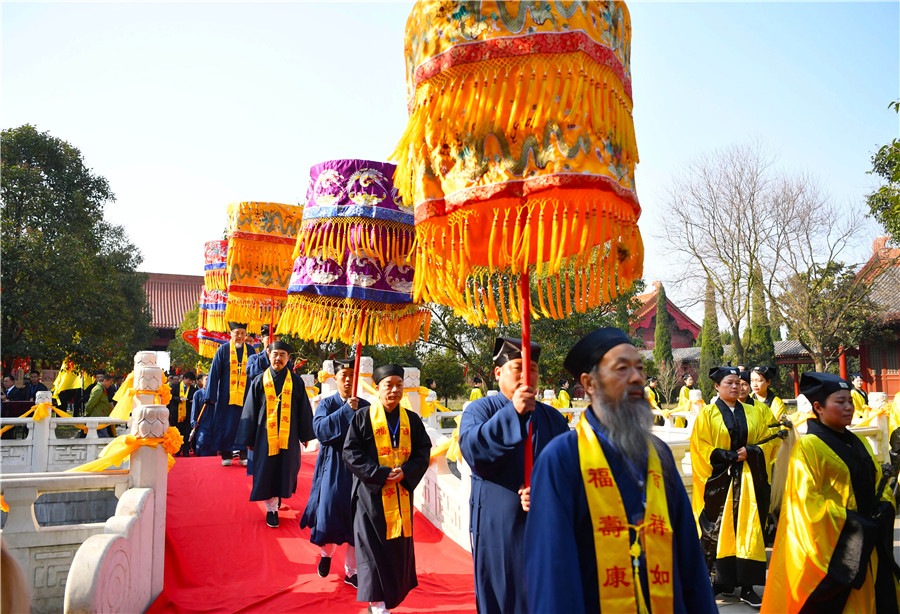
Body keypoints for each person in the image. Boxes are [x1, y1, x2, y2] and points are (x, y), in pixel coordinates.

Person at [524, 327, 717, 614]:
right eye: (622, 368)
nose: (637, 377)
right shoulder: (562, 459)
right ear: (589, 384)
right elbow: (552, 576)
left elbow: (689, 561)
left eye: (639, 367)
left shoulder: (658, 453)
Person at [761, 372, 900, 613]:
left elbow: (879, 485)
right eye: (840, 402)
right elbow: (806, 506)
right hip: (840, 552)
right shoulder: (807, 447)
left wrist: (885, 508)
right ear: (818, 407)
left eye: (850, 401)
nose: (849, 407)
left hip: (869, 545)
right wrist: (857, 524)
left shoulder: (860, 443)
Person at [459, 337, 569, 614]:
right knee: (502, 596)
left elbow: (569, 471)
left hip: (544, 525)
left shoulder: (554, 419)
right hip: (499, 528)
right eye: (518, 367)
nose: (526, 375)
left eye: (533, 368)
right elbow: (475, 453)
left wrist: (547, 492)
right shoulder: (480, 411)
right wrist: (514, 413)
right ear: (498, 373)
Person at [342, 364, 431, 614]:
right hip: (370, 497)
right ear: (378, 388)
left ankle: (389, 597)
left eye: (398, 385)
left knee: (394, 550)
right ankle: (377, 604)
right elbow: (350, 453)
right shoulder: (362, 417)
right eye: (388, 385)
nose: (394, 390)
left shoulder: (411, 420)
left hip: (401, 494)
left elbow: (424, 452)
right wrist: (379, 474)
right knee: (371, 549)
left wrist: (407, 471)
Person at [690, 366, 779, 608]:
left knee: (748, 529)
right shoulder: (707, 414)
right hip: (720, 482)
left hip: (749, 481)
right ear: (717, 387)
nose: (735, 386)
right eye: (729, 382)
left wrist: (752, 451)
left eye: (738, 382)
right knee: (716, 529)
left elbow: (768, 443)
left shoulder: (753, 412)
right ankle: (718, 582)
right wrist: (722, 455)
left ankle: (747, 586)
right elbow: (699, 448)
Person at [301, 357, 370, 588]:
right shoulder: (327, 403)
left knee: (356, 519)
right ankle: (326, 555)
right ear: (336, 379)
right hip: (333, 465)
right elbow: (319, 430)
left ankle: (352, 571)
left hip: (358, 469)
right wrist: (344, 413)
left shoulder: (366, 405)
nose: (349, 379)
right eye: (344, 376)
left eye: (353, 375)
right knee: (329, 514)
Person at [235, 340, 314, 528]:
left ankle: (276, 500)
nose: (278, 358)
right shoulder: (259, 380)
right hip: (264, 436)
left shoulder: (295, 382)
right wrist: (248, 437)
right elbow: (250, 411)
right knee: (267, 469)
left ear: (288, 358)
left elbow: (304, 409)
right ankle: (271, 509)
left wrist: (305, 435)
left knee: (286, 469)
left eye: (282, 355)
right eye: (275, 354)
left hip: (289, 435)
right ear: (269, 355)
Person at [202, 322, 256, 465]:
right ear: (230, 334)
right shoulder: (223, 350)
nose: (239, 336)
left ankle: (244, 454)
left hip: (246, 397)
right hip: (226, 397)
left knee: (244, 423)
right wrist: (211, 396)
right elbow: (214, 373)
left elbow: (256, 374)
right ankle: (226, 455)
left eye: (242, 333)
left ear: (246, 335)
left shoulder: (251, 351)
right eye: (236, 333)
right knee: (224, 424)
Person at [168, 371, 197, 456]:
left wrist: (191, 401)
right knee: (177, 434)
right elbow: (170, 397)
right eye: (189, 380)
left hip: (187, 416)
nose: (190, 382)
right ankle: (177, 450)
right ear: (184, 379)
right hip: (176, 415)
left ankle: (185, 451)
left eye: (192, 381)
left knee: (186, 434)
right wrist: (179, 399)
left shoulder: (193, 389)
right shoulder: (175, 387)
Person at [189, 374, 209, 455]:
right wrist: (194, 422)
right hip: (201, 425)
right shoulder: (197, 394)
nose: (208, 381)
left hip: (213, 425)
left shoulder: (216, 393)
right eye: (206, 379)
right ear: (201, 381)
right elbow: (194, 410)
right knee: (202, 443)